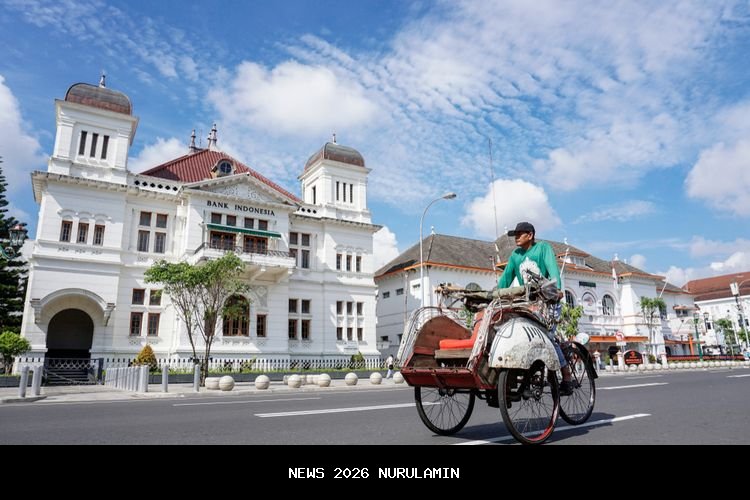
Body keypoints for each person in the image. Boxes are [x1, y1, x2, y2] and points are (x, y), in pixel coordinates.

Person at [497, 221, 575, 396]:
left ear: (530, 235)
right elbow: (505, 279)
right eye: (515, 235)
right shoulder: (515, 255)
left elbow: (553, 271)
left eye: (520, 234)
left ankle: (567, 377)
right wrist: (494, 295)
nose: (516, 237)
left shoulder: (543, 248)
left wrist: (556, 290)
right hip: (528, 305)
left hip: (548, 301)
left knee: (549, 337)